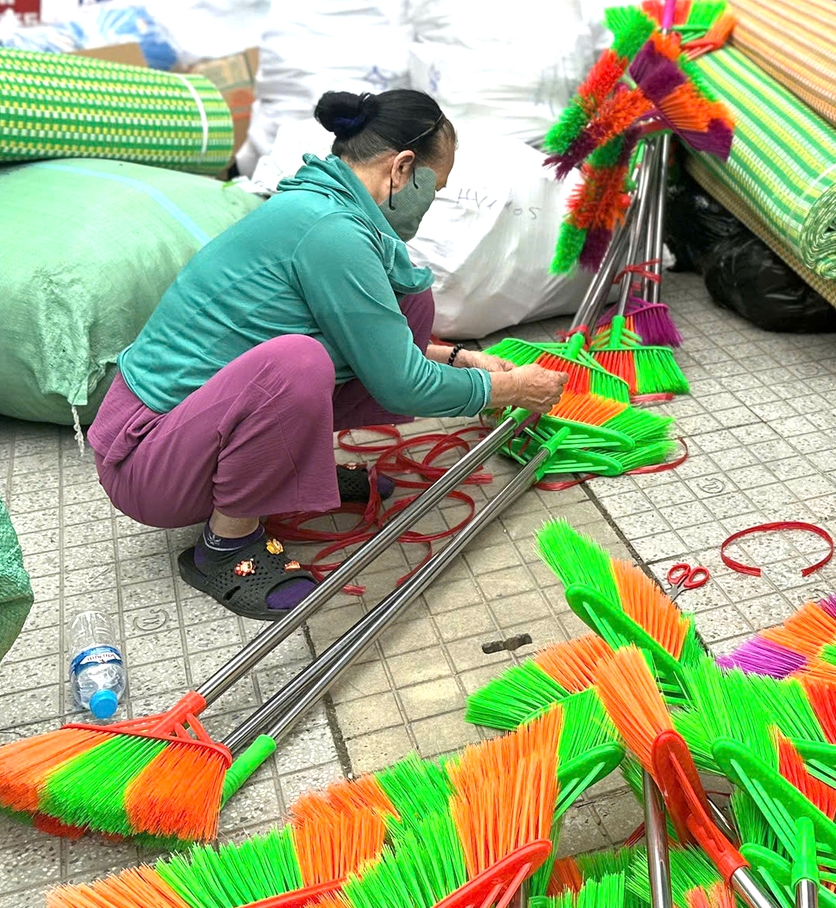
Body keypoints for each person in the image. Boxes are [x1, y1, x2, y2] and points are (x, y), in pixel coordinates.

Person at [87, 89, 567, 620]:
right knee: (298, 363)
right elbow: (400, 382)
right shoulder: (329, 229)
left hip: (195, 427)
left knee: (408, 298)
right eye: (437, 188)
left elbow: (370, 335)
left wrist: (465, 360)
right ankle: (225, 547)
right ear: (403, 169)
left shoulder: (329, 208)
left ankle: (290, 470)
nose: (432, 203)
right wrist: (512, 389)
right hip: (147, 457)